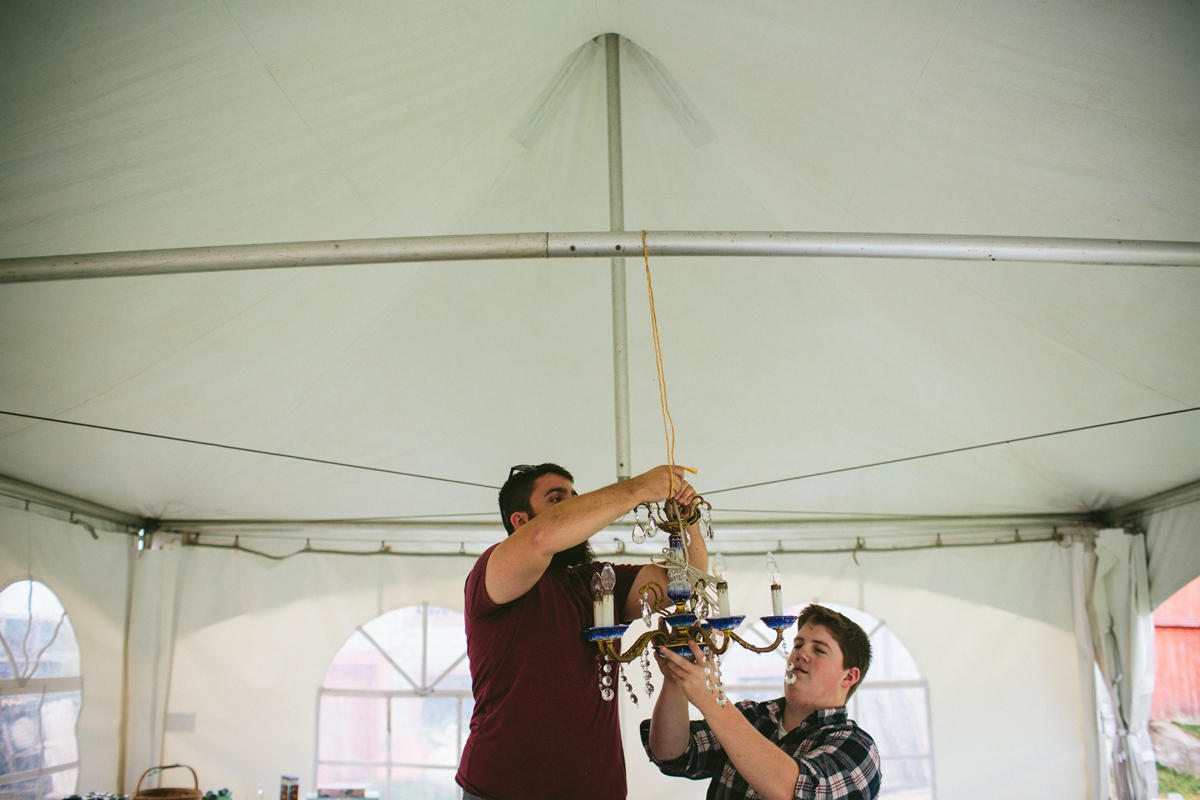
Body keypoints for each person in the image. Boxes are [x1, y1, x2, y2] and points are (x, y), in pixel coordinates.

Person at [456, 462, 708, 800]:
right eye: (559, 500)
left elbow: (686, 580)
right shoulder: (493, 570)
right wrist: (638, 489)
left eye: (577, 498)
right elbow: (540, 537)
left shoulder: (597, 583)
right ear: (520, 520)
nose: (577, 507)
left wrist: (687, 519)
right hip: (502, 790)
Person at [642, 603, 882, 800]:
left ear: (849, 676)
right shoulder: (751, 717)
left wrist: (713, 700)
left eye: (819, 650)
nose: (801, 653)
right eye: (798, 644)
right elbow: (670, 752)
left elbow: (795, 790)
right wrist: (676, 677)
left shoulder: (858, 749)